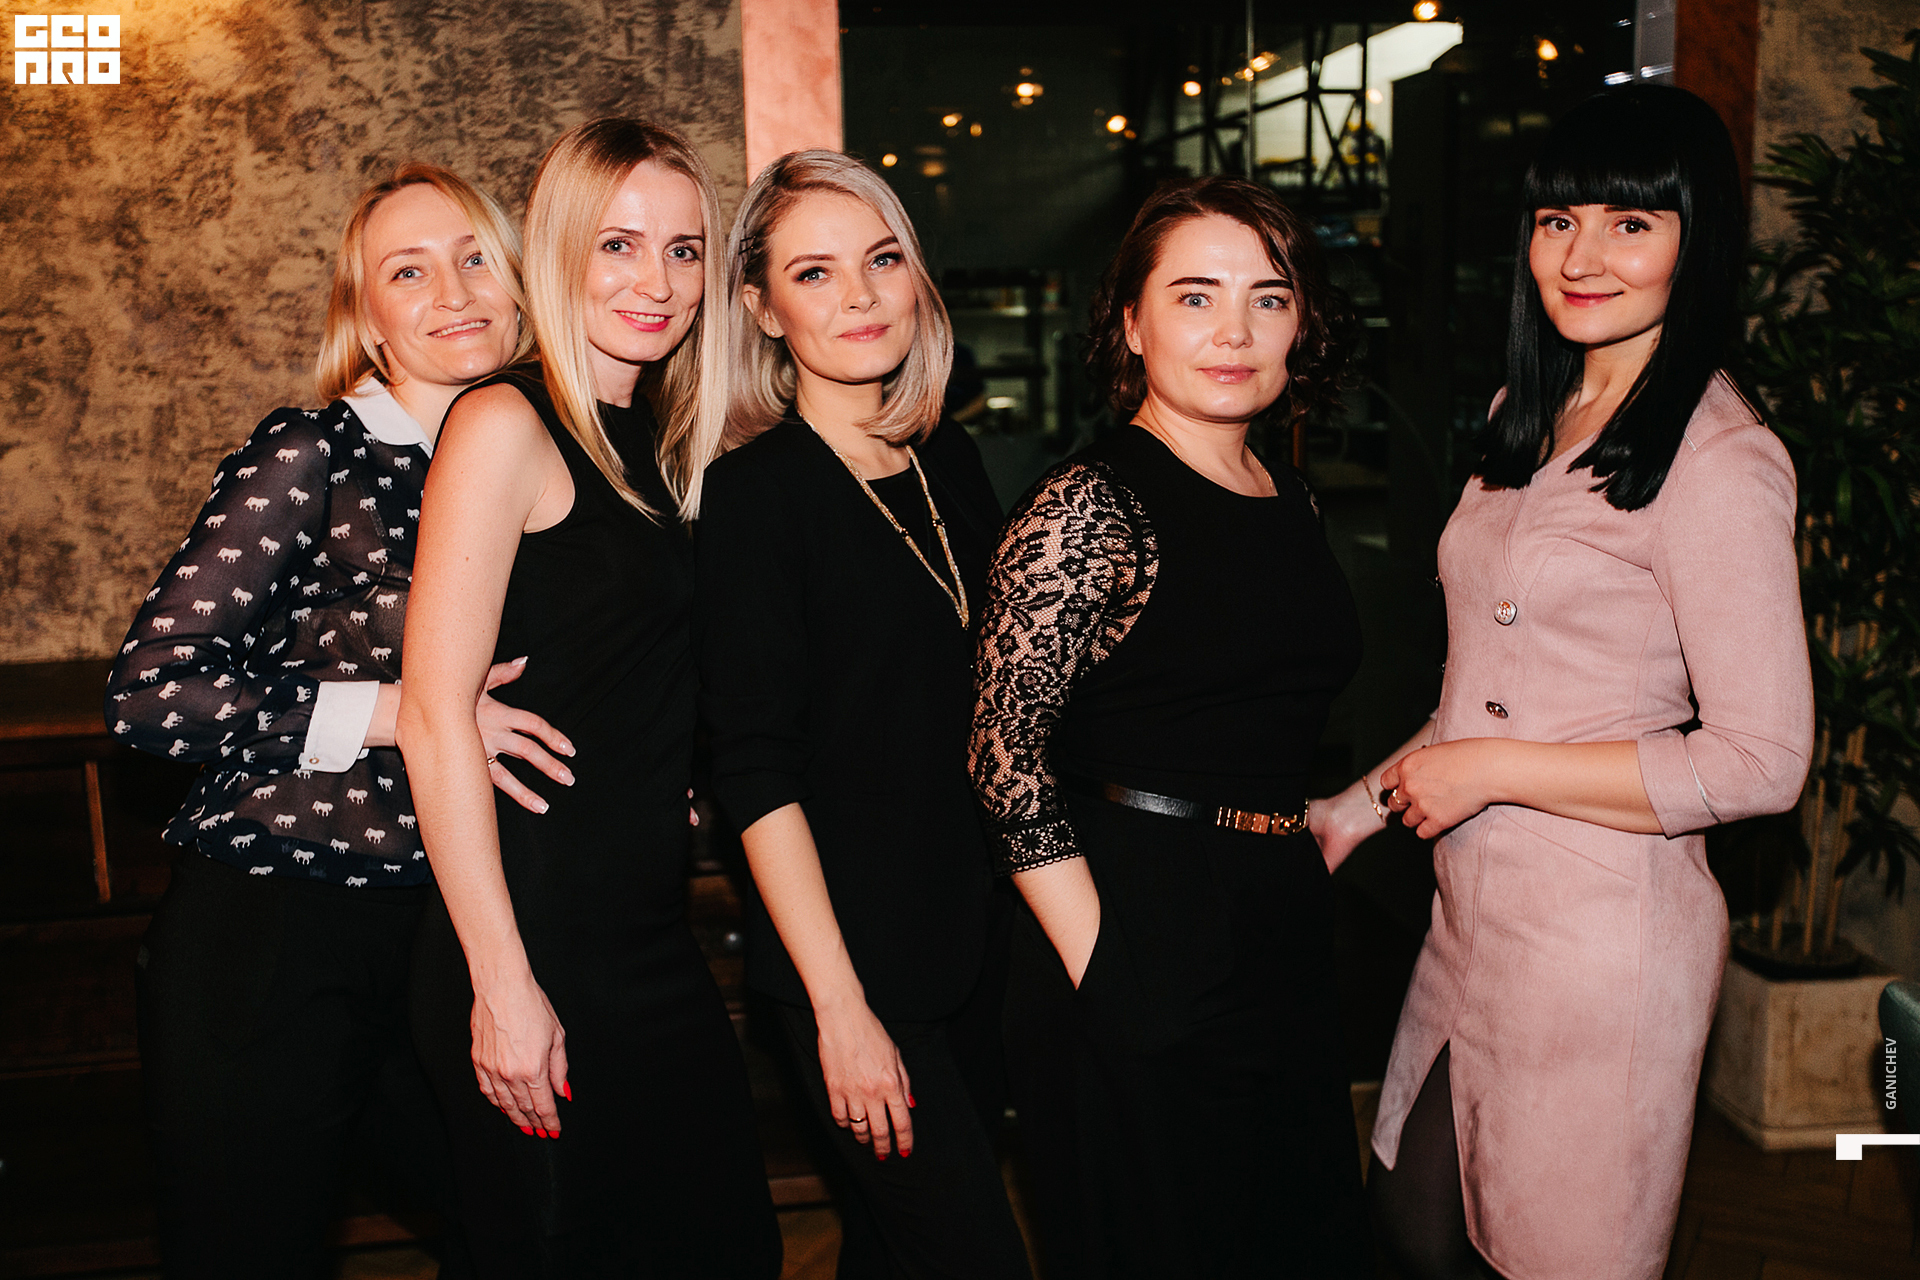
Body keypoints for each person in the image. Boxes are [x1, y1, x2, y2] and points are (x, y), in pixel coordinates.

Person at [1310, 85, 1813, 1280]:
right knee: (1410, 1227)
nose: (1582, 257)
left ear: (1698, 239)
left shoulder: (1721, 458)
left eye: (1631, 224)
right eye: (1557, 220)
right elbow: (1490, 694)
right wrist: (1349, 810)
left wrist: (1491, 770)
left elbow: (1764, 759)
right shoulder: (1526, 414)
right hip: (1471, 919)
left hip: (1603, 949)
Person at [106, 162, 569, 1277]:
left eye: (475, 257)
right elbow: (150, 691)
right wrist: (403, 711)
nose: (453, 291)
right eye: (408, 271)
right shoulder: (315, 451)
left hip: (451, 930)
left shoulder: (555, 458)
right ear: (366, 314)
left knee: (523, 1233)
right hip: (274, 924)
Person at [395, 119, 783, 1277]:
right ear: (560, 250)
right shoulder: (504, 421)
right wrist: (502, 983)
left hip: (644, 930)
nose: (655, 280)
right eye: (619, 243)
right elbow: (432, 712)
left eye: (682, 248)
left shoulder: (658, 439)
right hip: (535, 933)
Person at [969, 175, 1370, 1279]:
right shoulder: (1088, 505)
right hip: (1133, 923)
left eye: (1268, 298)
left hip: (1277, 924)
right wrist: (1107, 966)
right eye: (1195, 297)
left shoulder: (1289, 493)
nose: (1234, 331)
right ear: (1133, 325)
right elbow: (1003, 754)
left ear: (1302, 324)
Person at [697, 150, 1028, 1280]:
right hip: (853, 965)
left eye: (882, 260)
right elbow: (755, 770)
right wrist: (838, 1006)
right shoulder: (754, 495)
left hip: (975, 941)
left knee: (897, 1254)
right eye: (815, 273)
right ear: (763, 309)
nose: (859, 296)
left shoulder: (947, 455)